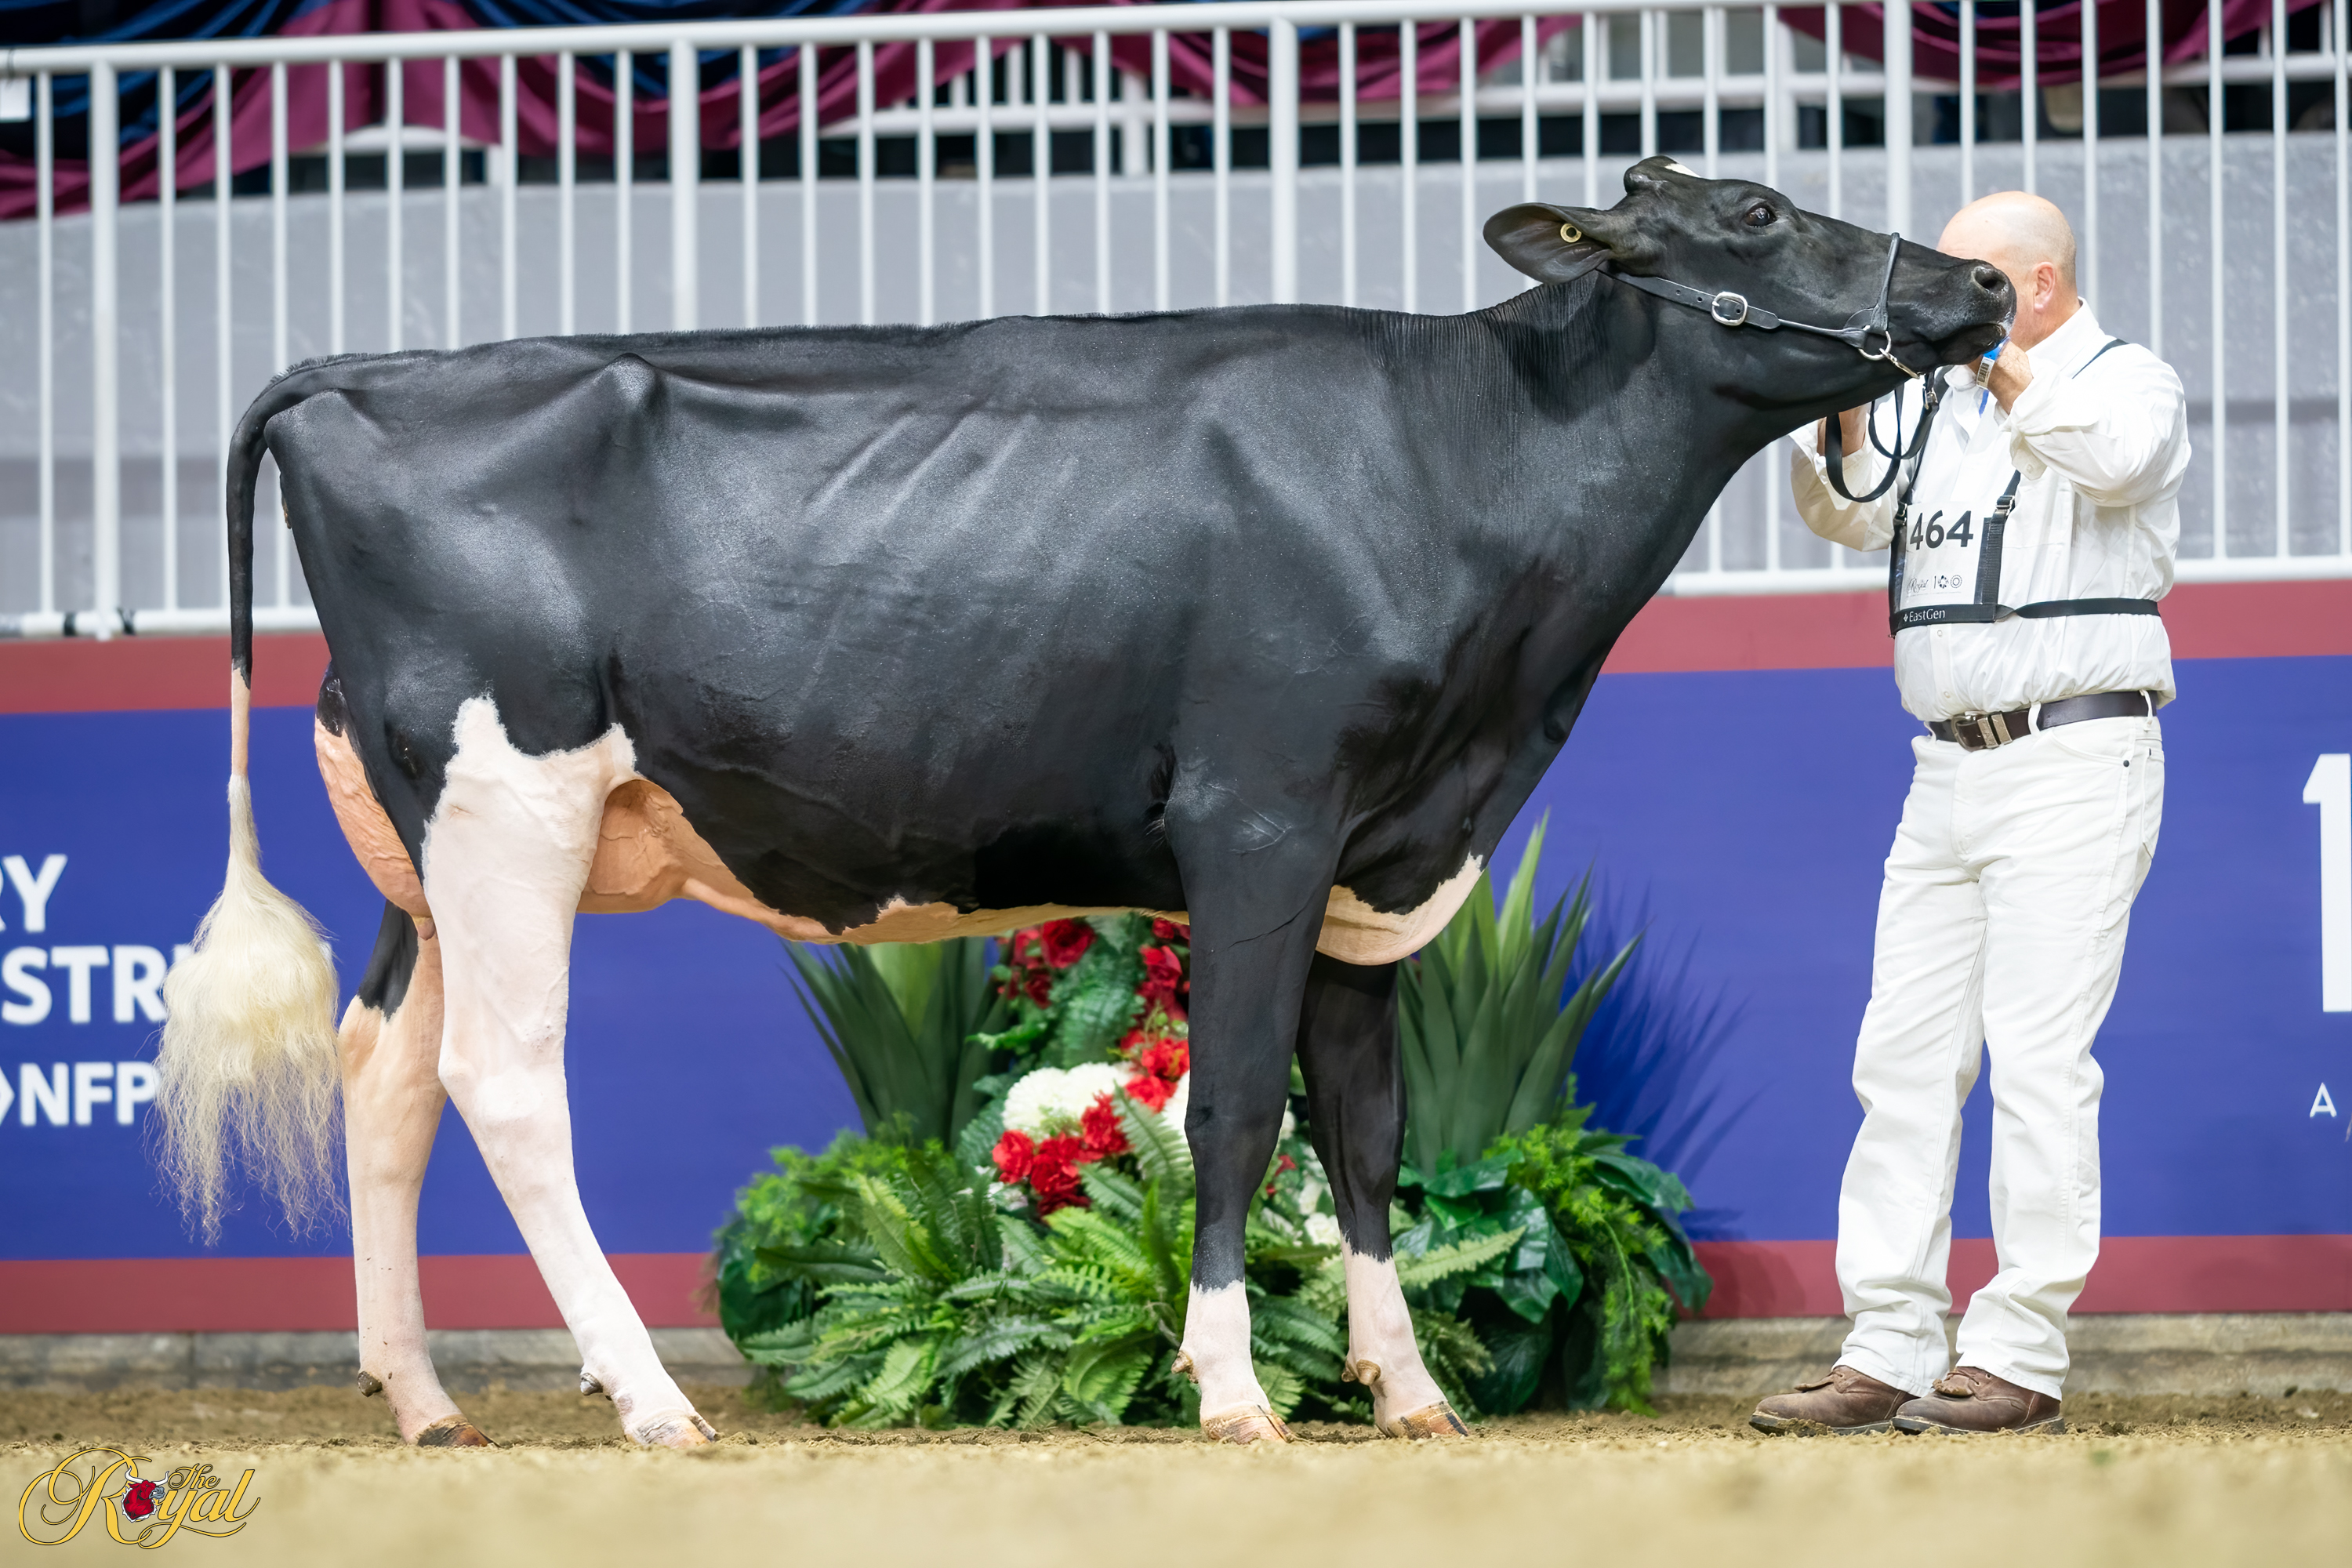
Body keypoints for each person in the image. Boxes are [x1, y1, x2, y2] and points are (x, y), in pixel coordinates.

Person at [1751, 191, 2189, 1436]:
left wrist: (1993, 363)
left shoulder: (2130, 380)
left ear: (2037, 284)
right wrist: (1846, 397)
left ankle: (2018, 1352)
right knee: (1901, 1060)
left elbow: (2120, 462)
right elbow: (1847, 512)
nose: (1946, 298)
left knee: (2039, 1064)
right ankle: (1887, 1343)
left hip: (2076, 750)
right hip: (1943, 765)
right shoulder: (1937, 402)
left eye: (1973, 279)